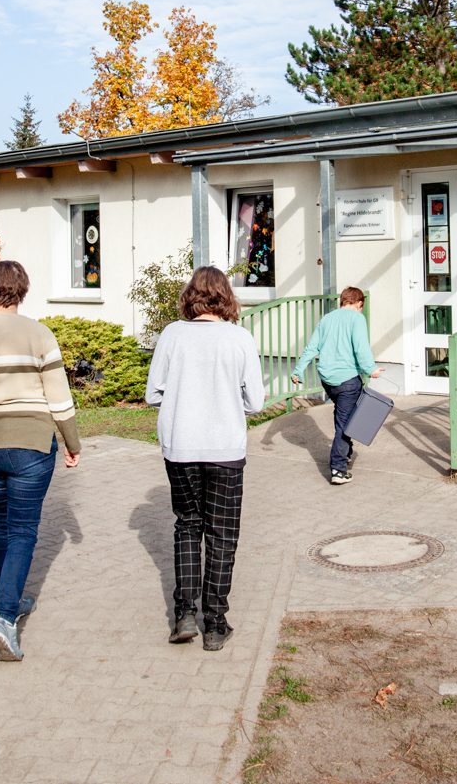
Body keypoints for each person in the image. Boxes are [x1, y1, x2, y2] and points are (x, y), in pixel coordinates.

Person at [0, 259, 80, 662]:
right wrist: (72, 442)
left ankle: (13, 598)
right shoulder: (40, 335)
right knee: (22, 529)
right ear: (21, 292)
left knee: (3, 522)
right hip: (31, 447)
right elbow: (59, 398)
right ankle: (5, 618)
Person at [146, 266, 265, 651]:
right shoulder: (240, 338)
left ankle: (184, 614)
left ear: (190, 296)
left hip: (181, 447)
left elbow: (153, 394)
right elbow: (256, 401)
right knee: (222, 535)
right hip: (225, 450)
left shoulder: (171, 335)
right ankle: (215, 623)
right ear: (226, 297)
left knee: (187, 526)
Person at [292, 286, 383, 486]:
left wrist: (297, 370)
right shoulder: (357, 318)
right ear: (359, 304)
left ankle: (345, 452)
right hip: (347, 379)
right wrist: (371, 369)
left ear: (342, 301)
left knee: (344, 414)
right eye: (361, 307)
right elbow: (361, 347)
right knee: (345, 423)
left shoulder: (327, 319)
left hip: (328, 380)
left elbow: (312, 347)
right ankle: (338, 469)